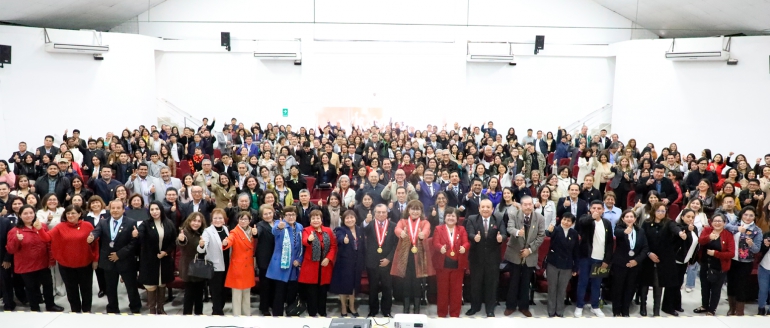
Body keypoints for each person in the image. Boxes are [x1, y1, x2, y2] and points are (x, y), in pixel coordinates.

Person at [37, 205, 97, 313]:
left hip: (85, 264)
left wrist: (96, 259)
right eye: (68, 213)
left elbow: (95, 243)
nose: (70, 215)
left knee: (86, 289)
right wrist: (39, 229)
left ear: (79, 214)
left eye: (73, 213)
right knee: (71, 290)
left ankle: (87, 310)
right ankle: (75, 311)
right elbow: (46, 238)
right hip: (66, 266)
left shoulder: (88, 225)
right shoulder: (60, 227)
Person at [6, 205, 64, 312]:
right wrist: (16, 240)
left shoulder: (41, 226)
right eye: (25, 213)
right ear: (20, 215)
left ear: (34, 214)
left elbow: (48, 243)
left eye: (31, 213)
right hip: (26, 265)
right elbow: (10, 250)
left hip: (43, 263)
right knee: (31, 287)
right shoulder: (15, 231)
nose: (29, 215)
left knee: (48, 285)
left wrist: (51, 259)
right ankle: (34, 307)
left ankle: (50, 305)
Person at [87, 199, 141, 313]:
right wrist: (92, 237)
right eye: (113, 208)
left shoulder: (131, 222)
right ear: (109, 209)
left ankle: (135, 307)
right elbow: (96, 232)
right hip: (108, 261)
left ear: (123, 209)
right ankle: (112, 308)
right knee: (110, 287)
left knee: (131, 286)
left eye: (118, 208)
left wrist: (119, 254)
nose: (115, 210)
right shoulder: (103, 222)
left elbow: (133, 243)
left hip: (125, 260)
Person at [503, 196, 545, 317]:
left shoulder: (540, 218)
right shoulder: (513, 214)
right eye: (525, 204)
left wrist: (530, 250)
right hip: (514, 253)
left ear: (533, 205)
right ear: (521, 206)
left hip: (530, 254)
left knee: (526, 282)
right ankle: (510, 306)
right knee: (513, 282)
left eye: (530, 204)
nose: (528, 207)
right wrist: (517, 232)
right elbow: (510, 228)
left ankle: (524, 307)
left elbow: (541, 236)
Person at [390, 199, 434, 314]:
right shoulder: (403, 221)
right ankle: (406, 308)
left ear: (421, 211)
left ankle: (417, 309)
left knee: (417, 283)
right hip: (405, 256)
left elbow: (427, 231)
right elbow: (397, 229)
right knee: (406, 283)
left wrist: (423, 234)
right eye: (412, 209)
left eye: (417, 209)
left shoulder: (425, 222)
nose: (415, 212)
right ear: (408, 210)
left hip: (420, 257)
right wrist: (400, 233)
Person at [639, 203, 682, 317]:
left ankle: (656, 310)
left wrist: (680, 233)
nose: (661, 213)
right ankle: (643, 307)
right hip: (647, 257)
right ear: (654, 211)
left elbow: (675, 229)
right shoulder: (646, 223)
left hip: (662, 259)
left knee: (658, 283)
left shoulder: (669, 223)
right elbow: (642, 239)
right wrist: (648, 253)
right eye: (658, 211)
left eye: (663, 211)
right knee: (644, 283)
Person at [465, 199, 506, 317]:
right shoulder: (472, 219)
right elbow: (469, 233)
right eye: (483, 207)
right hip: (476, 258)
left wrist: (501, 238)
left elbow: (503, 234)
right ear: (479, 208)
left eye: (488, 207)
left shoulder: (498, 219)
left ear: (492, 209)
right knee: (475, 284)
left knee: (491, 284)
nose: (485, 209)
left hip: (493, 259)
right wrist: (474, 237)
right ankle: (475, 307)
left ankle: (490, 309)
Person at [136, 201, 176, 315]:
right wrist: (136, 234)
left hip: (164, 260)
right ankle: (152, 310)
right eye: (152, 209)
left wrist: (166, 252)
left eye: (157, 209)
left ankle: (161, 308)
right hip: (149, 260)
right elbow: (140, 236)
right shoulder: (145, 224)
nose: (154, 212)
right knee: (150, 285)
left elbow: (173, 242)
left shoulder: (169, 223)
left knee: (162, 283)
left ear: (161, 210)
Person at [574, 200, 613, 318]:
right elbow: (582, 223)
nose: (596, 210)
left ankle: (595, 306)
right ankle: (579, 306)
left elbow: (610, 243)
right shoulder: (585, 219)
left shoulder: (607, 223)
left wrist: (607, 259)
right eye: (594, 208)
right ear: (590, 209)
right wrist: (592, 217)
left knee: (597, 284)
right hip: (586, 257)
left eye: (599, 208)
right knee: (583, 282)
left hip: (600, 259)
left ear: (603, 210)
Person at [724, 206, 763, 316]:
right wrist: (737, 229)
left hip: (745, 262)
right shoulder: (735, 223)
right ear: (741, 215)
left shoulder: (757, 231)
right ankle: (731, 309)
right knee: (731, 284)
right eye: (746, 214)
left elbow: (757, 250)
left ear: (754, 217)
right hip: (732, 259)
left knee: (741, 286)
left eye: (751, 215)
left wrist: (751, 244)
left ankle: (739, 311)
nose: (748, 217)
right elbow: (726, 226)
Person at [430, 207, 468, 318]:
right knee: (442, 290)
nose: (451, 218)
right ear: (445, 217)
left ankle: (455, 313)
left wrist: (464, 247)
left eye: (453, 216)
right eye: (448, 216)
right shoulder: (438, 229)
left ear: (457, 218)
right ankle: (442, 313)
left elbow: (466, 242)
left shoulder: (461, 229)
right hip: (443, 264)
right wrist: (440, 247)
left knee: (456, 290)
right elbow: (435, 242)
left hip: (457, 264)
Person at [299, 209, 337, 317]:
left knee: (323, 291)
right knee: (311, 292)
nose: (316, 220)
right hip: (311, 266)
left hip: (325, 266)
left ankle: (322, 311)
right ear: (310, 220)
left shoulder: (328, 230)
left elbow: (333, 246)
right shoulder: (307, 230)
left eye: (318, 218)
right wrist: (309, 239)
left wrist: (328, 258)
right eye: (313, 218)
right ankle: (312, 312)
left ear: (321, 220)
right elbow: (305, 241)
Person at [694, 214, 734, 316]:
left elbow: (731, 253)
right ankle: (704, 306)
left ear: (724, 223)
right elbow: (700, 241)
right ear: (711, 222)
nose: (717, 223)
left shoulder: (728, 235)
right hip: (705, 264)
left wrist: (716, 254)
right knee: (705, 287)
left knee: (716, 289)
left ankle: (712, 309)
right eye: (715, 221)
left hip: (720, 266)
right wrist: (709, 237)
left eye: (720, 221)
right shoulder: (707, 230)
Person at [661, 208, 699, 317]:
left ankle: (676, 304)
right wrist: (685, 230)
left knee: (679, 283)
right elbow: (677, 231)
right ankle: (668, 307)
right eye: (688, 217)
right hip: (675, 260)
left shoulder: (695, 228)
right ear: (682, 217)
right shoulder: (678, 226)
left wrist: (692, 259)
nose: (690, 219)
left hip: (685, 261)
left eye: (692, 217)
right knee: (672, 284)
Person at [265, 206, 302, 317]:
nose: (291, 217)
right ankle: (278, 317)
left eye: (293, 214)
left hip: (294, 266)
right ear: (284, 216)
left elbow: (301, 247)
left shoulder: (299, 227)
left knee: (292, 293)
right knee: (279, 293)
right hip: (281, 265)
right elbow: (274, 231)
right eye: (288, 215)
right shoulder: (279, 224)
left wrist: (299, 260)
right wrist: (279, 227)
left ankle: (291, 314)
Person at [611, 209, 648, 317]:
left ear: (635, 219)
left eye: (631, 217)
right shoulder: (619, 228)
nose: (629, 219)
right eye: (627, 217)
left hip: (634, 264)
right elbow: (616, 233)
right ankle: (616, 311)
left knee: (630, 288)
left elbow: (645, 248)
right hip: (620, 264)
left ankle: (625, 310)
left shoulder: (640, 231)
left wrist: (636, 260)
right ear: (623, 219)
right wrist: (625, 232)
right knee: (618, 287)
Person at [330, 210, 366, 317]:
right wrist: (344, 240)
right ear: (343, 220)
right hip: (344, 263)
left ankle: (352, 306)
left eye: (352, 217)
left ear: (355, 218)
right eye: (347, 218)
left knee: (354, 286)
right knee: (344, 286)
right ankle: (343, 307)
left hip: (357, 263)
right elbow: (339, 238)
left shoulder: (360, 230)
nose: (350, 220)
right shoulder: (340, 229)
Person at [364, 204, 397, 318]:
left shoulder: (393, 226)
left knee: (387, 287)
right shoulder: (369, 224)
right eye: (378, 212)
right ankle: (373, 310)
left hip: (387, 262)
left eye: (383, 212)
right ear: (374, 213)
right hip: (372, 262)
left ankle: (386, 310)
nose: (381, 214)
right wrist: (366, 222)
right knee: (373, 288)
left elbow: (396, 245)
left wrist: (389, 259)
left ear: (387, 213)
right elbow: (362, 232)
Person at [222, 211, 257, 316]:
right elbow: (230, 240)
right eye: (241, 219)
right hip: (238, 266)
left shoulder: (252, 231)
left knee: (247, 293)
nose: (243, 221)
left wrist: (256, 234)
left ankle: (247, 315)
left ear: (249, 221)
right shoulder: (234, 232)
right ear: (238, 220)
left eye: (246, 219)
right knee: (237, 294)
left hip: (248, 266)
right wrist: (226, 243)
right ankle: (236, 316)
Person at [545, 212, 580, 317]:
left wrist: (575, 267)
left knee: (562, 288)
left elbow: (576, 252)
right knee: (552, 288)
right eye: (564, 219)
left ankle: (559, 310)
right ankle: (551, 309)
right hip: (553, 264)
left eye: (568, 220)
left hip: (567, 265)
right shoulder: (555, 230)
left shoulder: (574, 233)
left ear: (572, 223)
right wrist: (549, 231)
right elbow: (548, 234)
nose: (565, 222)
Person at [197, 208, 230, 316]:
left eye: (220, 218)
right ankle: (217, 312)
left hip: (227, 264)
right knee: (216, 291)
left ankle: (219, 308)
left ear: (224, 219)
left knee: (225, 290)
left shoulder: (225, 229)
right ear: (211, 219)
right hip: (215, 266)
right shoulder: (208, 231)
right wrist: (201, 245)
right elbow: (202, 248)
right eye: (215, 218)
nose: (218, 220)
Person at [177, 212, 208, 315]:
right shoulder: (185, 232)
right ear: (189, 221)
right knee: (189, 296)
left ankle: (199, 316)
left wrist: (203, 246)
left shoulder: (203, 232)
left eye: (199, 221)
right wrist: (181, 240)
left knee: (199, 296)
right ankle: (187, 317)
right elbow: (181, 242)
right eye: (194, 221)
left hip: (200, 268)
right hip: (188, 267)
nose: (196, 223)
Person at [254, 204, 276, 316]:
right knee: (265, 285)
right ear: (262, 216)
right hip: (264, 259)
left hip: (276, 258)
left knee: (274, 284)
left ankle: (272, 304)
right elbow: (257, 233)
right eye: (265, 214)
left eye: (269, 213)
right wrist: (255, 233)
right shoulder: (260, 225)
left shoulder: (278, 223)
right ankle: (264, 307)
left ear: (273, 212)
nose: (268, 216)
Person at [758, 229, 770, 315]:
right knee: (763, 290)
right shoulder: (767, 234)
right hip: (764, 267)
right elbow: (759, 249)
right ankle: (761, 308)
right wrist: (765, 245)